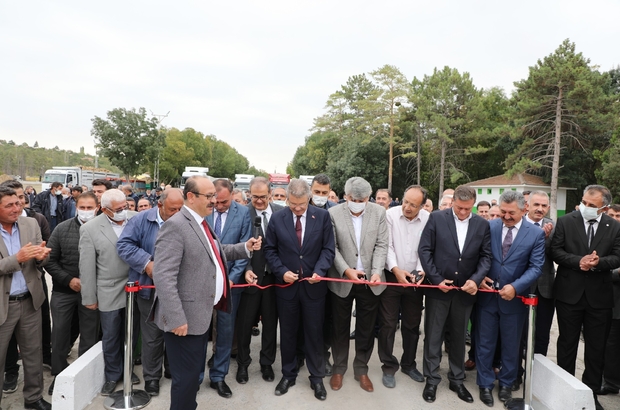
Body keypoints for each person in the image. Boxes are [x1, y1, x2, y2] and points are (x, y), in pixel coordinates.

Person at [151, 176, 260, 410]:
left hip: (198, 315)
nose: (214, 201)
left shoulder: (201, 222)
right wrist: (177, 317)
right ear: (191, 197)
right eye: (209, 196)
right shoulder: (176, 226)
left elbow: (216, 252)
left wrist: (245, 247)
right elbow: (163, 276)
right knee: (185, 380)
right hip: (185, 320)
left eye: (214, 196)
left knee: (189, 379)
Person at [418, 185, 492, 404]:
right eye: (459, 208)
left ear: (474, 205)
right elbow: (424, 250)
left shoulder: (481, 224)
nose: (463, 212)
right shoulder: (436, 219)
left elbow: (486, 256)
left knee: (459, 338)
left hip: (465, 291)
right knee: (433, 335)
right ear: (452, 203)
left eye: (467, 209)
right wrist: (436, 279)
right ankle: (431, 379)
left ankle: (457, 379)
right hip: (438, 289)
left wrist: (475, 280)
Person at [264, 179, 335, 401]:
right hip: (286, 287)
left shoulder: (322, 217)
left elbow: (328, 249)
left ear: (309, 199)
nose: (297, 208)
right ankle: (288, 374)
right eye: (292, 203)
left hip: (314, 287)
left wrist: (320, 271)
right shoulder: (277, 218)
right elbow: (270, 250)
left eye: (301, 204)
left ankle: (316, 378)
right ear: (286, 199)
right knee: (288, 333)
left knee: (314, 333)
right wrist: (281, 271)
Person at [551, 185, 620, 410]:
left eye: (592, 206)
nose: (586, 208)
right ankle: (565, 391)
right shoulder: (566, 221)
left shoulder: (614, 227)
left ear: (604, 208)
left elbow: (617, 257)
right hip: (568, 294)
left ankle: (590, 394)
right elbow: (556, 251)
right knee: (567, 344)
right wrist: (578, 261)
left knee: (596, 348)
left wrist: (599, 263)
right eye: (584, 203)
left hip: (599, 298)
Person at [475, 191, 545, 406]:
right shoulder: (490, 227)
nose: (505, 216)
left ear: (524, 210)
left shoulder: (535, 234)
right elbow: (478, 255)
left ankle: (506, 383)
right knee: (484, 343)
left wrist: (515, 287)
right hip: (487, 298)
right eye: (503, 212)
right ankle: (485, 384)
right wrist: (480, 277)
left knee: (511, 345)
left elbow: (536, 267)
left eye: (511, 213)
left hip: (514, 300)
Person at [116, 188, 184, 397]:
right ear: (160, 206)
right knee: (152, 336)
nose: (178, 213)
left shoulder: (186, 221)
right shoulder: (141, 220)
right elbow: (124, 245)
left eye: (181, 209)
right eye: (173, 209)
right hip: (148, 288)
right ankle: (152, 378)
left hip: (178, 289)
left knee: (176, 331)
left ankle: (173, 369)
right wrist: (147, 264)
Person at [328, 177, 388, 393]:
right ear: (346, 197)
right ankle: (339, 368)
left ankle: (361, 368)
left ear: (368, 198)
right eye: (354, 199)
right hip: (342, 279)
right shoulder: (333, 214)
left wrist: (376, 272)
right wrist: (346, 270)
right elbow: (332, 247)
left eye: (363, 199)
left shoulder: (378, 213)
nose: (359, 202)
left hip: (370, 281)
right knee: (339, 327)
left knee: (366, 327)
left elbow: (382, 244)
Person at [79, 189, 137, 396]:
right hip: (108, 289)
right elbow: (86, 267)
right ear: (104, 210)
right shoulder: (90, 229)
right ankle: (113, 374)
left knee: (131, 332)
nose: (124, 211)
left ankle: (128, 369)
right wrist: (89, 297)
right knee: (111, 334)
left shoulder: (136, 219)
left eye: (126, 207)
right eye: (119, 209)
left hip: (136, 285)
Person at [0, 186, 52, 410]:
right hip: (3, 305)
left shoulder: (30, 224)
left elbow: (41, 261)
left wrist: (41, 258)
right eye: (9, 205)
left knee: (33, 353)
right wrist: (16, 259)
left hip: (30, 301)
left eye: (19, 203)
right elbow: (15, 261)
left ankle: (33, 398)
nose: (17, 208)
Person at [46, 192, 101, 394]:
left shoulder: (103, 229)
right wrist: (68, 280)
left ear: (97, 207)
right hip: (64, 291)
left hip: (92, 293)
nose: (86, 212)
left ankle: (84, 376)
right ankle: (59, 376)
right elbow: (49, 261)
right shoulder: (62, 229)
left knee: (89, 335)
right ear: (75, 207)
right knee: (59, 334)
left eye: (90, 208)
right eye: (82, 207)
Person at [378, 185, 428, 388]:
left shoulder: (427, 219)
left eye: (413, 205)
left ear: (422, 206)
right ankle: (389, 366)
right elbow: (386, 245)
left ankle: (409, 364)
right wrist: (396, 269)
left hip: (416, 281)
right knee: (388, 324)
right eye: (406, 201)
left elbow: (428, 248)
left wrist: (420, 270)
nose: (407, 207)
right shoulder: (390, 215)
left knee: (412, 325)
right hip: (392, 277)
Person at [205, 179, 252, 398]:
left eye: (224, 201)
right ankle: (195, 377)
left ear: (233, 195)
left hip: (230, 285)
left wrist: (232, 278)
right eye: (216, 200)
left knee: (225, 332)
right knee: (199, 331)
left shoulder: (243, 214)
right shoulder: (203, 210)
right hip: (202, 282)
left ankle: (218, 377)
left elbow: (244, 248)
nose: (219, 205)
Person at [236, 177, 283, 384]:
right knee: (245, 325)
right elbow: (236, 246)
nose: (259, 201)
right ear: (249, 195)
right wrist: (245, 269)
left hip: (274, 280)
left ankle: (267, 364)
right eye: (255, 197)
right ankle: (243, 364)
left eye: (263, 197)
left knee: (271, 324)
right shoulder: (242, 214)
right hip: (250, 279)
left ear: (270, 194)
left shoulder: (281, 213)